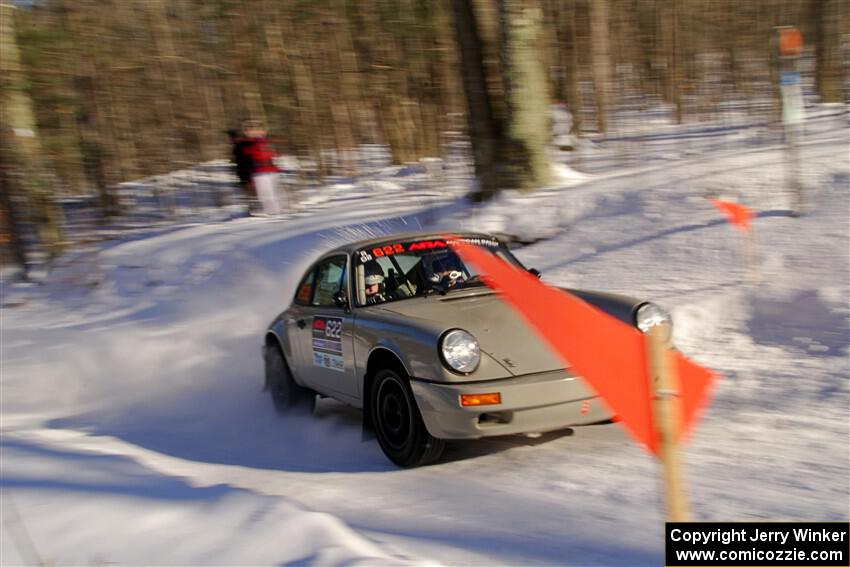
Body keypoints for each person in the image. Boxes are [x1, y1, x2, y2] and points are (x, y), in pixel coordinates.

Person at [242, 121, 284, 215]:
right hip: (259, 172)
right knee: (265, 194)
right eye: (251, 131)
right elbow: (248, 155)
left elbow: (276, 153)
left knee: (273, 192)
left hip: (269, 171)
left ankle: (277, 212)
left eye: (257, 130)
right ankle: (272, 212)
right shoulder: (247, 144)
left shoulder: (266, 142)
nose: (255, 132)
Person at [227, 128, 257, 211]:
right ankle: (252, 208)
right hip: (242, 172)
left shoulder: (245, 143)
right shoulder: (236, 146)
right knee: (247, 191)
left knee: (251, 190)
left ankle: (256, 208)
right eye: (231, 138)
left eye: (232, 137)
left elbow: (251, 154)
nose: (231, 139)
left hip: (249, 171)